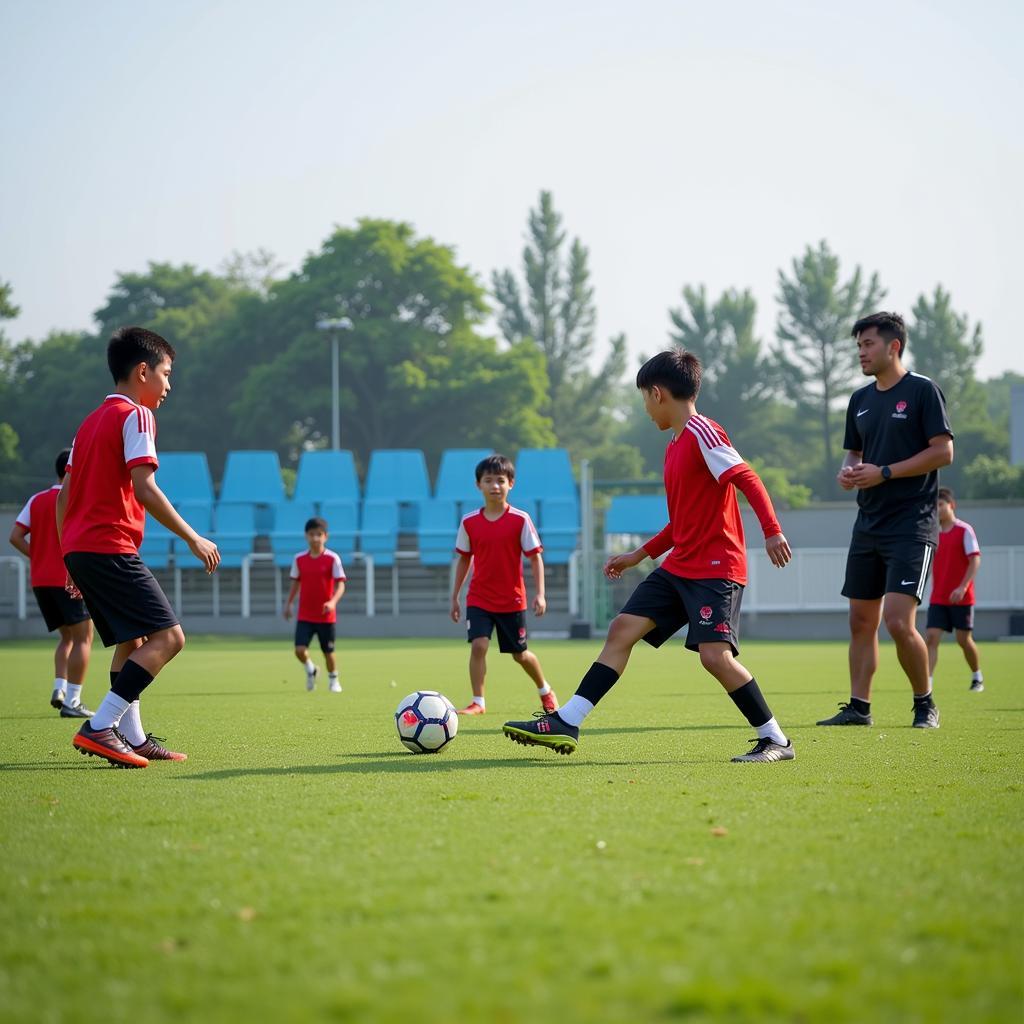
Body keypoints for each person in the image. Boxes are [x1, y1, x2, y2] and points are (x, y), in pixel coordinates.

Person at [503, 349, 795, 763]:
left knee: (715, 657)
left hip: (716, 568)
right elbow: (680, 524)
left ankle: (776, 740)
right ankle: (567, 720)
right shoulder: (674, 445)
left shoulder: (703, 432)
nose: (645, 409)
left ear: (658, 393)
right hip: (679, 566)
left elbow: (746, 477)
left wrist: (772, 531)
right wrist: (637, 555)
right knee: (622, 628)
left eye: (644, 399)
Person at [58, 326, 220, 768]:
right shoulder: (138, 416)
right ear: (143, 371)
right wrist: (194, 537)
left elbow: (63, 495)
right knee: (170, 638)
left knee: (134, 639)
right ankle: (100, 725)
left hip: (81, 548)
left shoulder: (89, 422)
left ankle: (131, 736)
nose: (169, 386)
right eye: (166, 374)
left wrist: (67, 555)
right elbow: (145, 488)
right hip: (109, 545)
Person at [818, 311, 953, 730]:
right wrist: (848, 472)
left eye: (868, 344)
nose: (861, 352)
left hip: (912, 525)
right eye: (858, 345)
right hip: (868, 524)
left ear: (893, 346)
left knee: (897, 620)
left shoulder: (922, 391)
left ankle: (924, 703)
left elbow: (943, 451)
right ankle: (859, 708)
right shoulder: (859, 400)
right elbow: (854, 454)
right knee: (861, 622)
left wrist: (887, 471)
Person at [450, 454, 557, 716]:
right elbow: (464, 560)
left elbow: (535, 557)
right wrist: (455, 596)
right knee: (479, 645)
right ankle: (478, 702)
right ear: (479, 485)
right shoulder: (469, 522)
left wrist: (540, 594)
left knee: (520, 655)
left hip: (511, 600)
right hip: (479, 598)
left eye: (500, 480)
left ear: (511, 484)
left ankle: (545, 690)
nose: (495, 486)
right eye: (488, 480)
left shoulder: (520, 520)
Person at [9, 448, 95, 718]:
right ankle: (73, 701)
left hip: (40, 581)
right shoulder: (74, 496)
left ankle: (59, 688)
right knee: (84, 637)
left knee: (66, 637)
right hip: (68, 579)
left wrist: (39, 555)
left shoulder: (36, 500)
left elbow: (15, 536)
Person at [925, 487, 984, 692]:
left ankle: (977, 677)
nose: (938, 509)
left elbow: (974, 560)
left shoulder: (964, 530)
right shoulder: (932, 533)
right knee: (931, 637)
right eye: (935, 506)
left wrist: (962, 587)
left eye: (941, 505)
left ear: (951, 505)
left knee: (963, 639)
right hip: (938, 596)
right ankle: (927, 684)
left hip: (961, 598)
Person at [283, 516, 346, 692]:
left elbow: (341, 584)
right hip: (305, 614)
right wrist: (288, 603)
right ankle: (310, 669)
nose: (315, 538)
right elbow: (296, 583)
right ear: (306, 536)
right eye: (312, 534)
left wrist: (333, 602)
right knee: (299, 650)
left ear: (326, 536)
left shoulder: (332, 558)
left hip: (326, 616)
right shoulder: (299, 559)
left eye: (319, 534)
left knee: (328, 652)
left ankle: (334, 680)